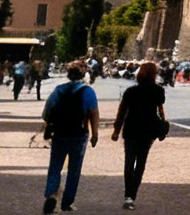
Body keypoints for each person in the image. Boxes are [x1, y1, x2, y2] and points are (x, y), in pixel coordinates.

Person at [40, 60, 101, 214]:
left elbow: (47, 113)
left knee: (55, 166)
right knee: (74, 168)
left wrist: (50, 125)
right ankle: (67, 202)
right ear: (83, 74)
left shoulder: (58, 90)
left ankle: (51, 195)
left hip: (60, 133)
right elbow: (93, 113)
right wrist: (95, 134)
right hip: (78, 134)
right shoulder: (88, 91)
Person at [111, 60, 170, 211]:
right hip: (148, 130)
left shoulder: (130, 92)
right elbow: (160, 110)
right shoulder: (158, 91)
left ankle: (127, 195)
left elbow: (122, 111)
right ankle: (132, 196)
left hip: (131, 129)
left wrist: (116, 130)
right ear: (154, 74)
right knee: (141, 163)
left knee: (129, 162)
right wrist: (163, 125)